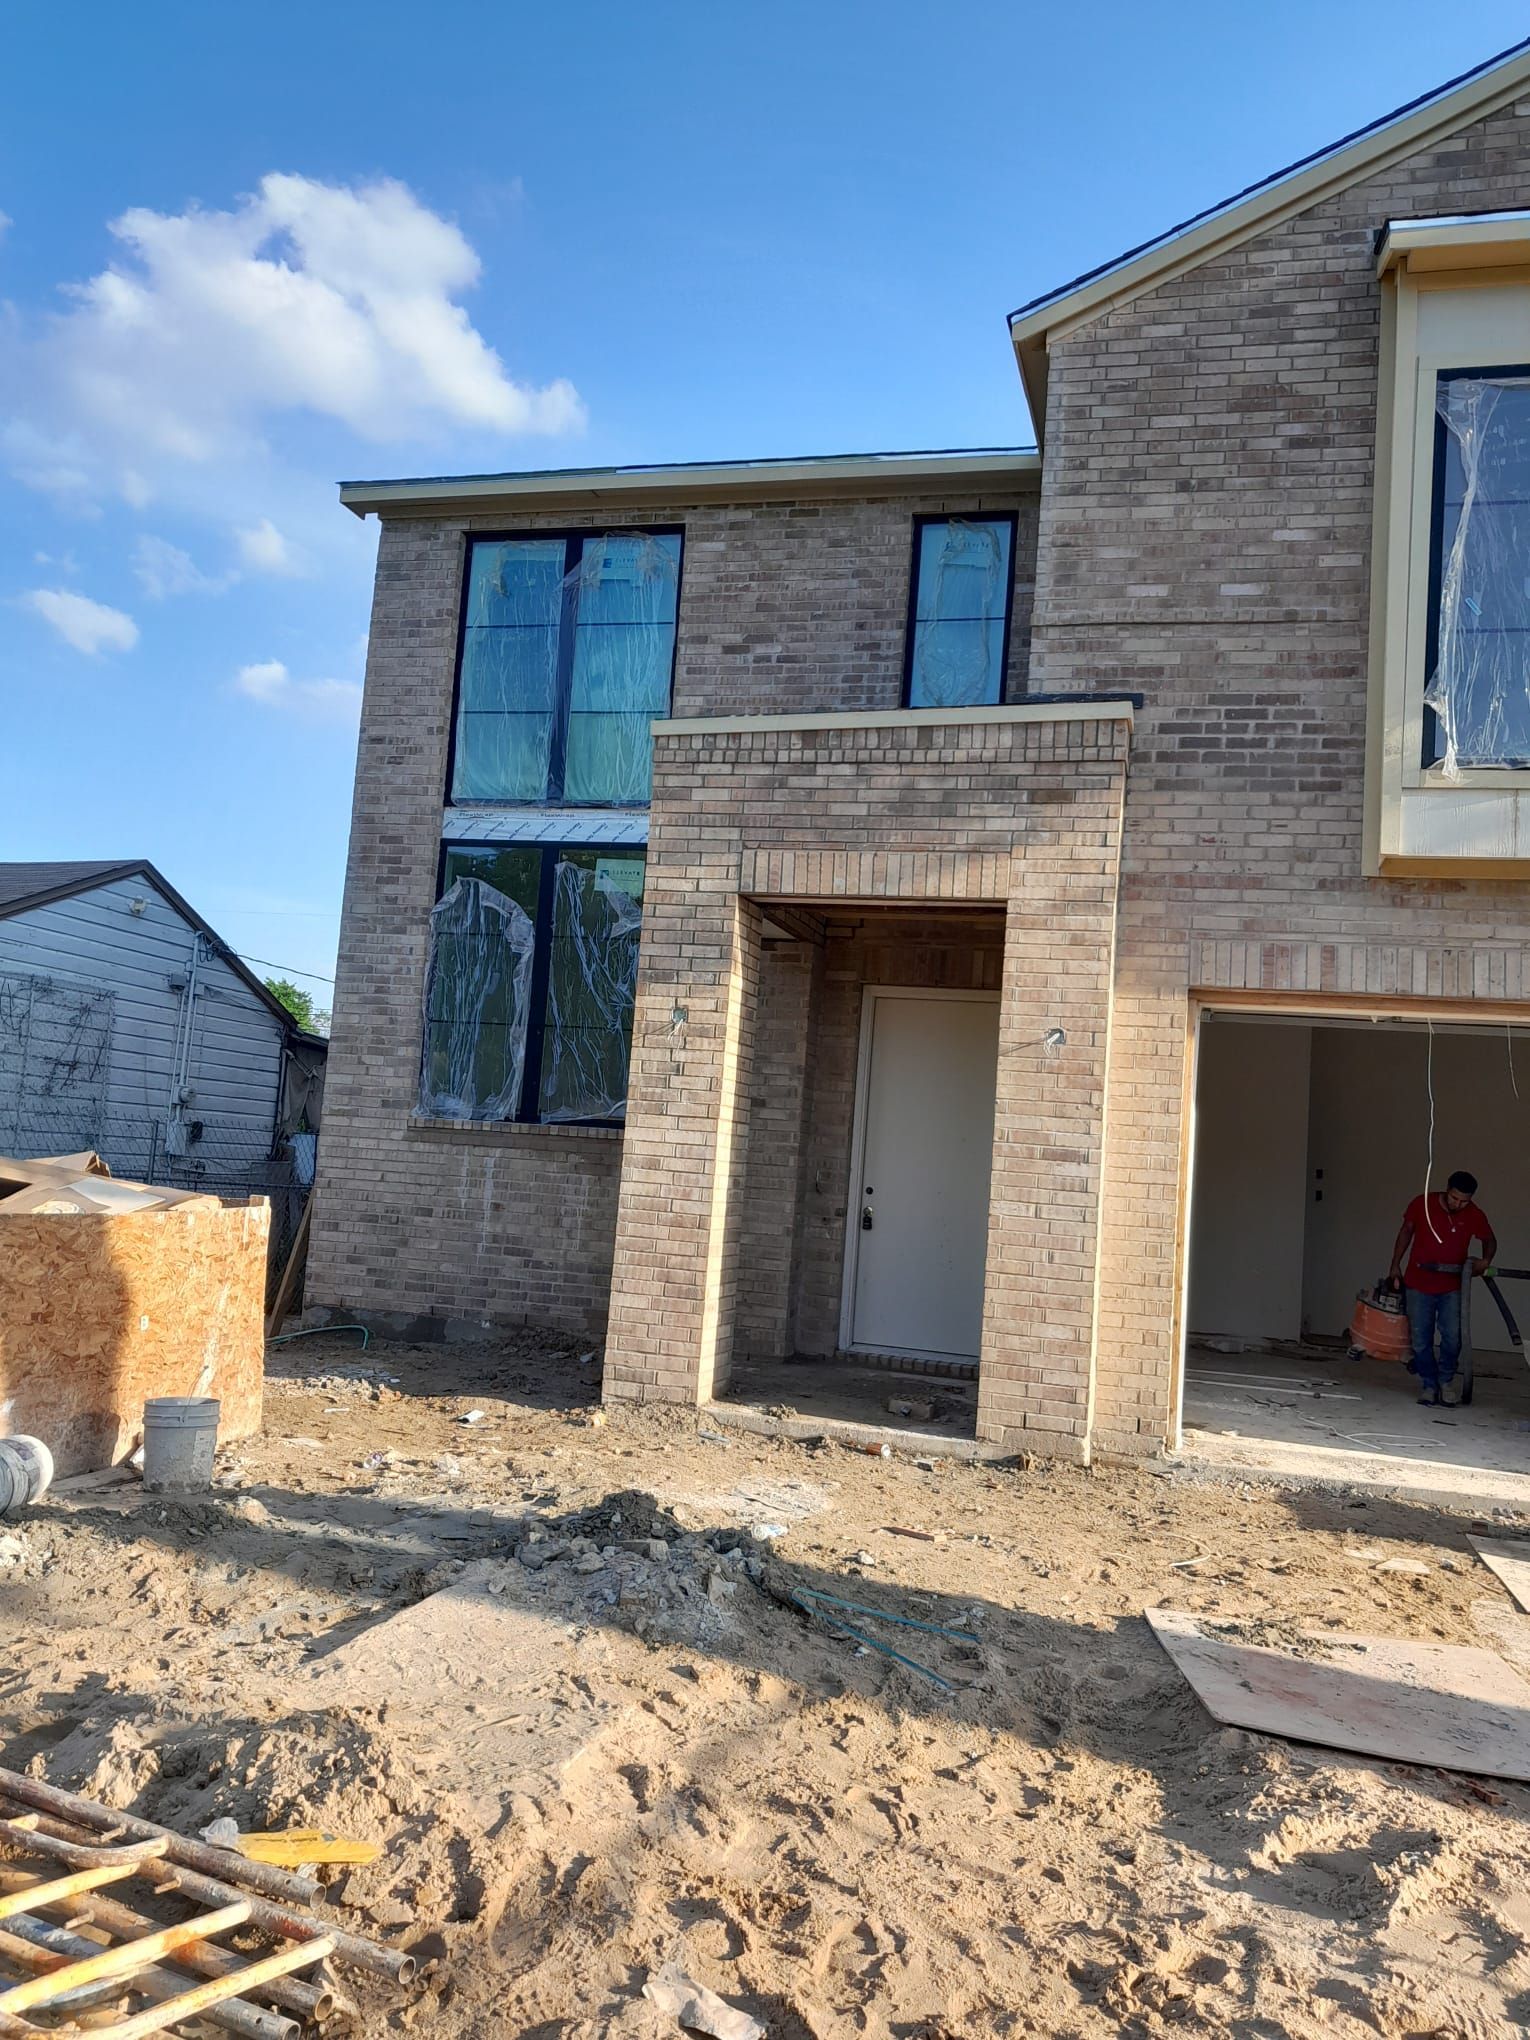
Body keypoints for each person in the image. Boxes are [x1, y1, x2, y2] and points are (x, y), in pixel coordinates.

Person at [1388, 1171, 1496, 1407]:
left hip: (1452, 1287)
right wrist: (1395, 1265)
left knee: (1453, 1338)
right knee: (1420, 1339)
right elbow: (1406, 1232)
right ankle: (1429, 1384)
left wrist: (1485, 1261)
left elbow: (1489, 1239)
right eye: (1454, 1198)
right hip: (1418, 1282)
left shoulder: (1474, 1214)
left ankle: (1446, 1382)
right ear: (1447, 1190)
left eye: (1464, 1201)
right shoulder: (1422, 1203)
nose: (1458, 1204)